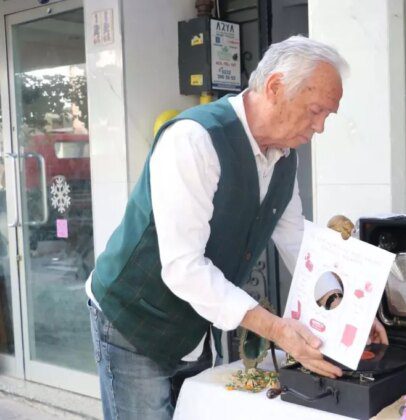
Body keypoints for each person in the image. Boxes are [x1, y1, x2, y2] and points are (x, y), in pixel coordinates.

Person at [86, 35, 387, 420]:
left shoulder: (284, 156)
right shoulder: (194, 139)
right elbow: (184, 267)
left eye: (327, 115)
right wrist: (279, 331)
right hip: (133, 317)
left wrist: (350, 310)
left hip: (191, 323)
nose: (320, 127)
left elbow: (296, 239)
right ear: (276, 88)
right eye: (315, 111)